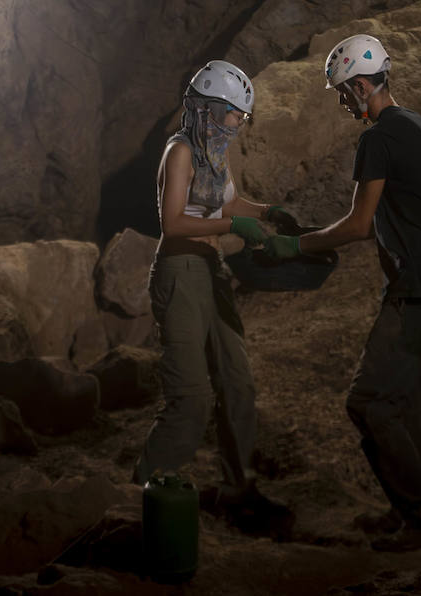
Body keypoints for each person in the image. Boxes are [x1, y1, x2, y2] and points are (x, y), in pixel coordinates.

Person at [264, 34, 421, 551]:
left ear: (360, 84)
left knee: (369, 403)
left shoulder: (377, 139)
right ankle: (416, 514)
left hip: (416, 285)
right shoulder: (414, 123)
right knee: (403, 404)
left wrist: (294, 246)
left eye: (342, 91)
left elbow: (357, 225)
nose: (340, 101)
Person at [132, 60, 298, 515]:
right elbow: (172, 222)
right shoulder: (181, 152)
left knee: (237, 382)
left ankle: (237, 489)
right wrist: (235, 224)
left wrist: (266, 212)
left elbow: (229, 201)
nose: (237, 125)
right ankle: (140, 499)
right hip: (182, 271)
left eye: (241, 117)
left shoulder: (213, 152)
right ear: (207, 109)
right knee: (192, 397)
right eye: (233, 115)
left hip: (212, 269)